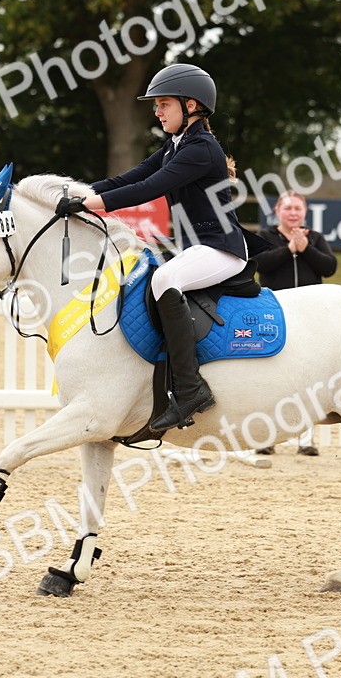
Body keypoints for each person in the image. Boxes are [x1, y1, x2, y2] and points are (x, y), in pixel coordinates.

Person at [57, 64, 267, 433]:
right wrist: (79, 192)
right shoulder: (175, 145)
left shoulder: (202, 148)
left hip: (222, 249)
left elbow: (148, 188)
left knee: (165, 279)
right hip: (194, 247)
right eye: (156, 105)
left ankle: (190, 390)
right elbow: (130, 177)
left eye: (164, 104)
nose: (157, 111)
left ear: (191, 105)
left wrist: (94, 204)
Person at [252, 190, 338, 456]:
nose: (292, 213)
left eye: (297, 209)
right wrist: (289, 250)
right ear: (277, 210)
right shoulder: (266, 237)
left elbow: (329, 267)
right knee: (270, 376)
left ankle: (306, 439)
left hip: (310, 318)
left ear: (305, 212)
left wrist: (306, 249)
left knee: (310, 378)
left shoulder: (315, 238)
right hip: (275, 313)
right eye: (288, 208)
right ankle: (265, 437)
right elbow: (259, 264)